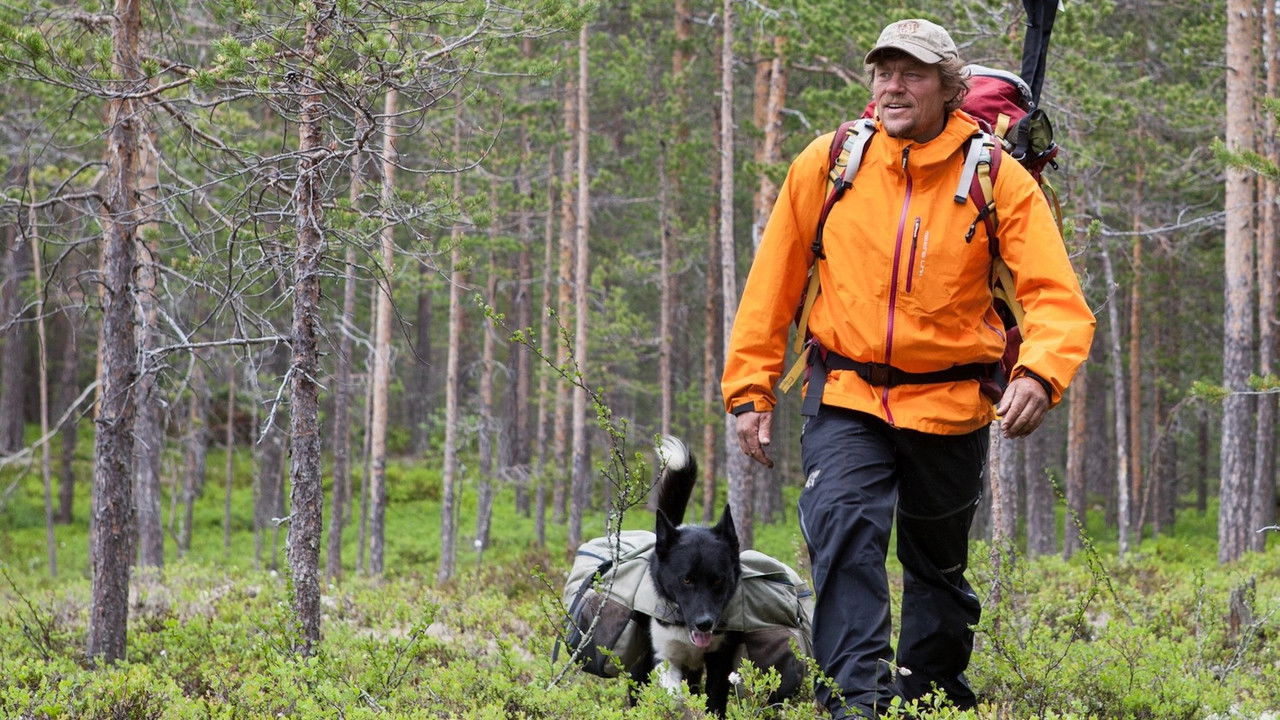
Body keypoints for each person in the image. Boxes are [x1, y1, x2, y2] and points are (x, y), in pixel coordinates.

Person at [720, 18, 1095, 720]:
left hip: (952, 404)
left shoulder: (997, 178)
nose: (894, 86)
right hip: (845, 394)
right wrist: (750, 387)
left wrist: (1039, 374)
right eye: (884, 72)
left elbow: (1055, 297)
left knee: (936, 570)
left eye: (913, 73)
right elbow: (772, 282)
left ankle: (930, 699)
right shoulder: (828, 163)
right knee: (843, 533)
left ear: (950, 89)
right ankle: (856, 703)